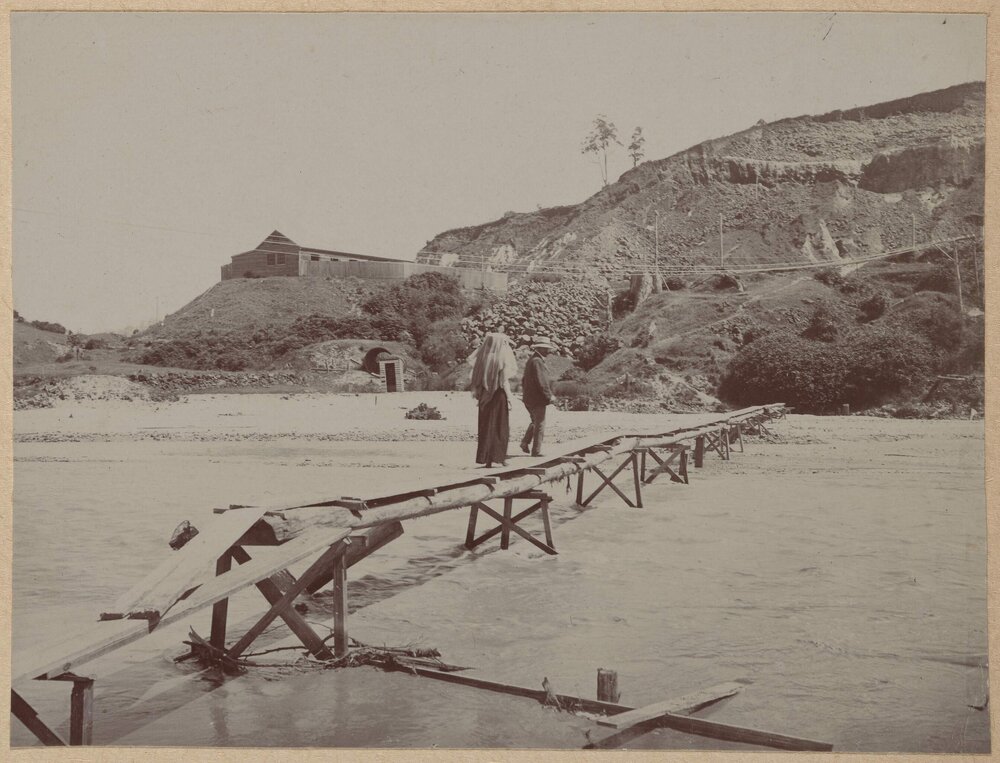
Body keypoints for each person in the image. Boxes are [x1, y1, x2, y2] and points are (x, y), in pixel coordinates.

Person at [470, 332, 517, 467]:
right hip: (498, 395)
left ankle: (487, 459)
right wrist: (510, 398)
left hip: (485, 396)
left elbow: (474, 379)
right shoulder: (501, 358)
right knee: (500, 427)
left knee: (486, 426)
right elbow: (503, 381)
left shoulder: (482, 358)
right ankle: (499, 457)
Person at [520, 336, 556, 457]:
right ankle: (536, 451)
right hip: (537, 399)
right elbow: (542, 382)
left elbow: (524, 379)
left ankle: (525, 442)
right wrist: (549, 396)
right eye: (545, 349)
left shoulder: (532, 360)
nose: (548, 351)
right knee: (540, 423)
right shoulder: (538, 361)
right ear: (540, 348)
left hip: (528, 398)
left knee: (534, 421)